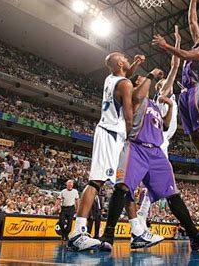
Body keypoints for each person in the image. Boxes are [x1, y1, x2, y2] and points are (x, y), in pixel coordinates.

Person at [98, 70, 199, 252]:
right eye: (139, 80)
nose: (142, 81)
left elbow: (164, 125)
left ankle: (194, 235)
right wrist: (150, 75)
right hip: (136, 147)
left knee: (173, 194)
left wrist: (171, 107)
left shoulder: (154, 105)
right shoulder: (134, 97)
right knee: (122, 187)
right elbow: (139, 94)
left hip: (156, 153)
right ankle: (108, 235)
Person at [68, 53, 140, 251]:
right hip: (112, 134)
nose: (126, 59)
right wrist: (130, 137)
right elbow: (128, 115)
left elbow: (126, 74)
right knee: (96, 181)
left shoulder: (111, 78)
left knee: (122, 184)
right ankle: (78, 232)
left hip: (109, 133)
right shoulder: (124, 84)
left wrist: (134, 64)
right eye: (125, 58)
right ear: (119, 63)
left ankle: (138, 230)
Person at [152, 0, 199, 183]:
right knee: (192, 136)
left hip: (198, 90)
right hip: (185, 92)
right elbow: (193, 21)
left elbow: (187, 56)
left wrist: (166, 46)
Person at [137, 25, 181, 230]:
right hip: (159, 142)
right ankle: (141, 215)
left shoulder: (162, 97)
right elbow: (174, 67)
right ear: (161, 87)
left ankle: (141, 215)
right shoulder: (164, 92)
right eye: (165, 83)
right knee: (167, 183)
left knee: (156, 183)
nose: (169, 83)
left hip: (164, 141)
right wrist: (177, 44)